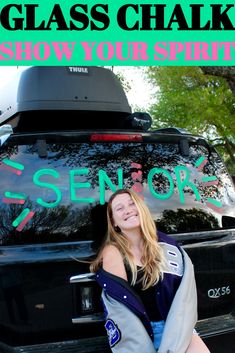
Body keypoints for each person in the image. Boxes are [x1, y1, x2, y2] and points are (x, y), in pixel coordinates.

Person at [90, 189, 210, 353]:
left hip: (176, 326)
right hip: (142, 333)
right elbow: (122, 312)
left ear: (141, 208)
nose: (128, 210)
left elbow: (182, 295)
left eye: (132, 203)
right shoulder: (113, 252)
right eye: (120, 208)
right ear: (114, 222)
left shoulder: (164, 244)